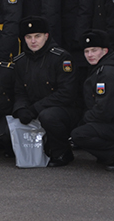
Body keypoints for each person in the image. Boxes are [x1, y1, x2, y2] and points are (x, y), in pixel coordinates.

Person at [11, 16, 82, 167]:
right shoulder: (20, 61)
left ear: (46, 36)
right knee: (9, 129)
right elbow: (19, 91)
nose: (33, 41)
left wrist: (35, 108)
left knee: (49, 117)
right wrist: (21, 109)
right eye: (29, 37)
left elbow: (66, 93)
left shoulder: (61, 58)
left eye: (37, 36)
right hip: (34, 109)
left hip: (64, 110)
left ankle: (62, 152)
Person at [70, 29, 114, 171]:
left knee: (79, 134)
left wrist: (86, 118)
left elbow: (106, 110)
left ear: (105, 51)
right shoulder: (100, 69)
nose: (90, 55)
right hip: (113, 122)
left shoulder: (108, 73)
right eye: (87, 51)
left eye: (94, 50)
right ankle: (111, 154)